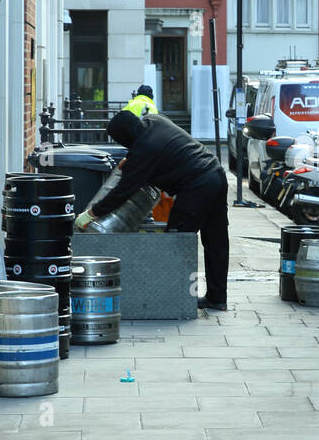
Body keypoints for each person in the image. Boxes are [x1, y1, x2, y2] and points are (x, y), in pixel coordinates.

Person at [76, 109, 229, 310]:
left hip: (196, 186)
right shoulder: (155, 120)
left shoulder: (144, 150)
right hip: (216, 173)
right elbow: (167, 148)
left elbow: (122, 192)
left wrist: (92, 213)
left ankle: (175, 300)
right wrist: (133, 160)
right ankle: (218, 298)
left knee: (176, 242)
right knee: (216, 241)